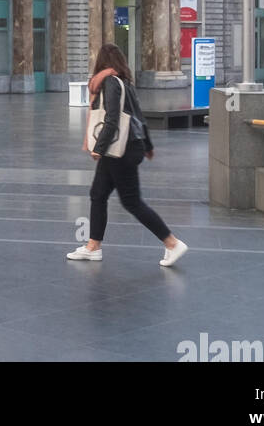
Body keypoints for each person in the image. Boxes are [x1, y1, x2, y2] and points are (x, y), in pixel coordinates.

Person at [67, 43, 187, 267]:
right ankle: (93, 246)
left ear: (102, 62)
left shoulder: (110, 83)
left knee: (131, 201)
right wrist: (148, 145)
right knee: (98, 193)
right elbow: (139, 117)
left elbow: (112, 118)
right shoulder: (126, 83)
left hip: (119, 150)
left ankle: (172, 243)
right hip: (128, 147)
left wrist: (98, 148)